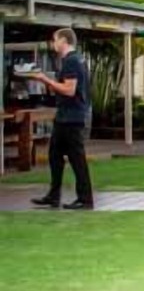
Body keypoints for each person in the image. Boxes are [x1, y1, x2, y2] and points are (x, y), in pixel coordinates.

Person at [30, 28, 93, 210]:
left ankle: (85, 199)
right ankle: (53, 195)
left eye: (55, 40)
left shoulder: (72, 61)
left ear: (64, 41)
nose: (53, 43)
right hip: (65, 116)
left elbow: (69, 90)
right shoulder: (76, 59)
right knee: (54, 155)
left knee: (76, 158)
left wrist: (45, 80)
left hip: (72, 118)